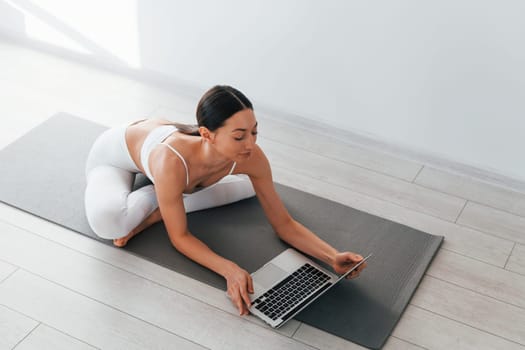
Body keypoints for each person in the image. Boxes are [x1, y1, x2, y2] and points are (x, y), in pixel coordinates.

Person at [84, 85, 367, 316]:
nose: (251, 144)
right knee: (111, 224)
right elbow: (180, 237)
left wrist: (332, 256)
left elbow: (284, 224)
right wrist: (229, 270)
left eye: (254, 132)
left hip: (173, 158)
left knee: (248, 187)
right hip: (114, 155)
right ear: (207, 134)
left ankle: (168, 201)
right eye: (239, 136)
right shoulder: (171, 161)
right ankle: (158, 195)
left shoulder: (251, 157)